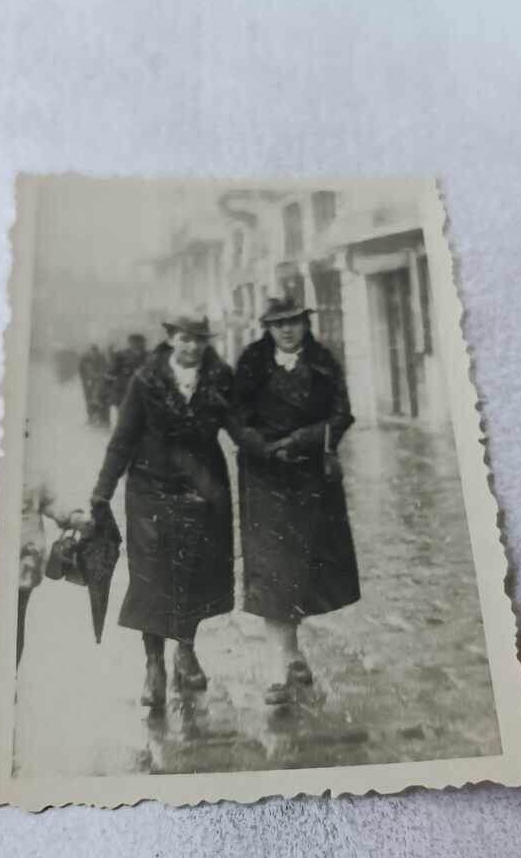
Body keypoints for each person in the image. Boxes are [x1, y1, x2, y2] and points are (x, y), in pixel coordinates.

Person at [90, 315, 234, 706]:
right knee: (152, 579)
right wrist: (102, 491)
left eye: (199, 340)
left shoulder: (221, 379)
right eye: (185, 339)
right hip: (150, 490)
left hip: (202, 488)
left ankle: (185, 649)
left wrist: (277, 452)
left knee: (195, 573)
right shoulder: (145, 381)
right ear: (171, 340)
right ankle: (154, 666)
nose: (192, 347)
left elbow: (241, 427)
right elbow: (122, 441)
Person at [229, 293, 360, 703]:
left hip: (310, 479)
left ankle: (291, 650)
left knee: (301, 570)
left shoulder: (324, 360)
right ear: (267, 328)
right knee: (273, 571)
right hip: (265, 478)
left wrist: (304, 438)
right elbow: (234, 416)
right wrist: (262, 447)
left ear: (305, 323)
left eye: (294, 321)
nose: (287, 330)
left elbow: (342, 414)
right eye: (278, 323)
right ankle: (276, 668)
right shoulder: (251, 362)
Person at [18, 427, 91, 666]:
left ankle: (10, 678)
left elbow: (52, 503)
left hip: (24, 561)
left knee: (15, 622)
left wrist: (74, 516)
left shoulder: (32, 475)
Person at [112, 333, 148, 407]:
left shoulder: (149, 356)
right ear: (130, 344)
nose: (136, 345)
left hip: (143, 394)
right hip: (125, 393)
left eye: (139, 343)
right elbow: (111, 372)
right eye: (134, 343)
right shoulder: (121, 356)